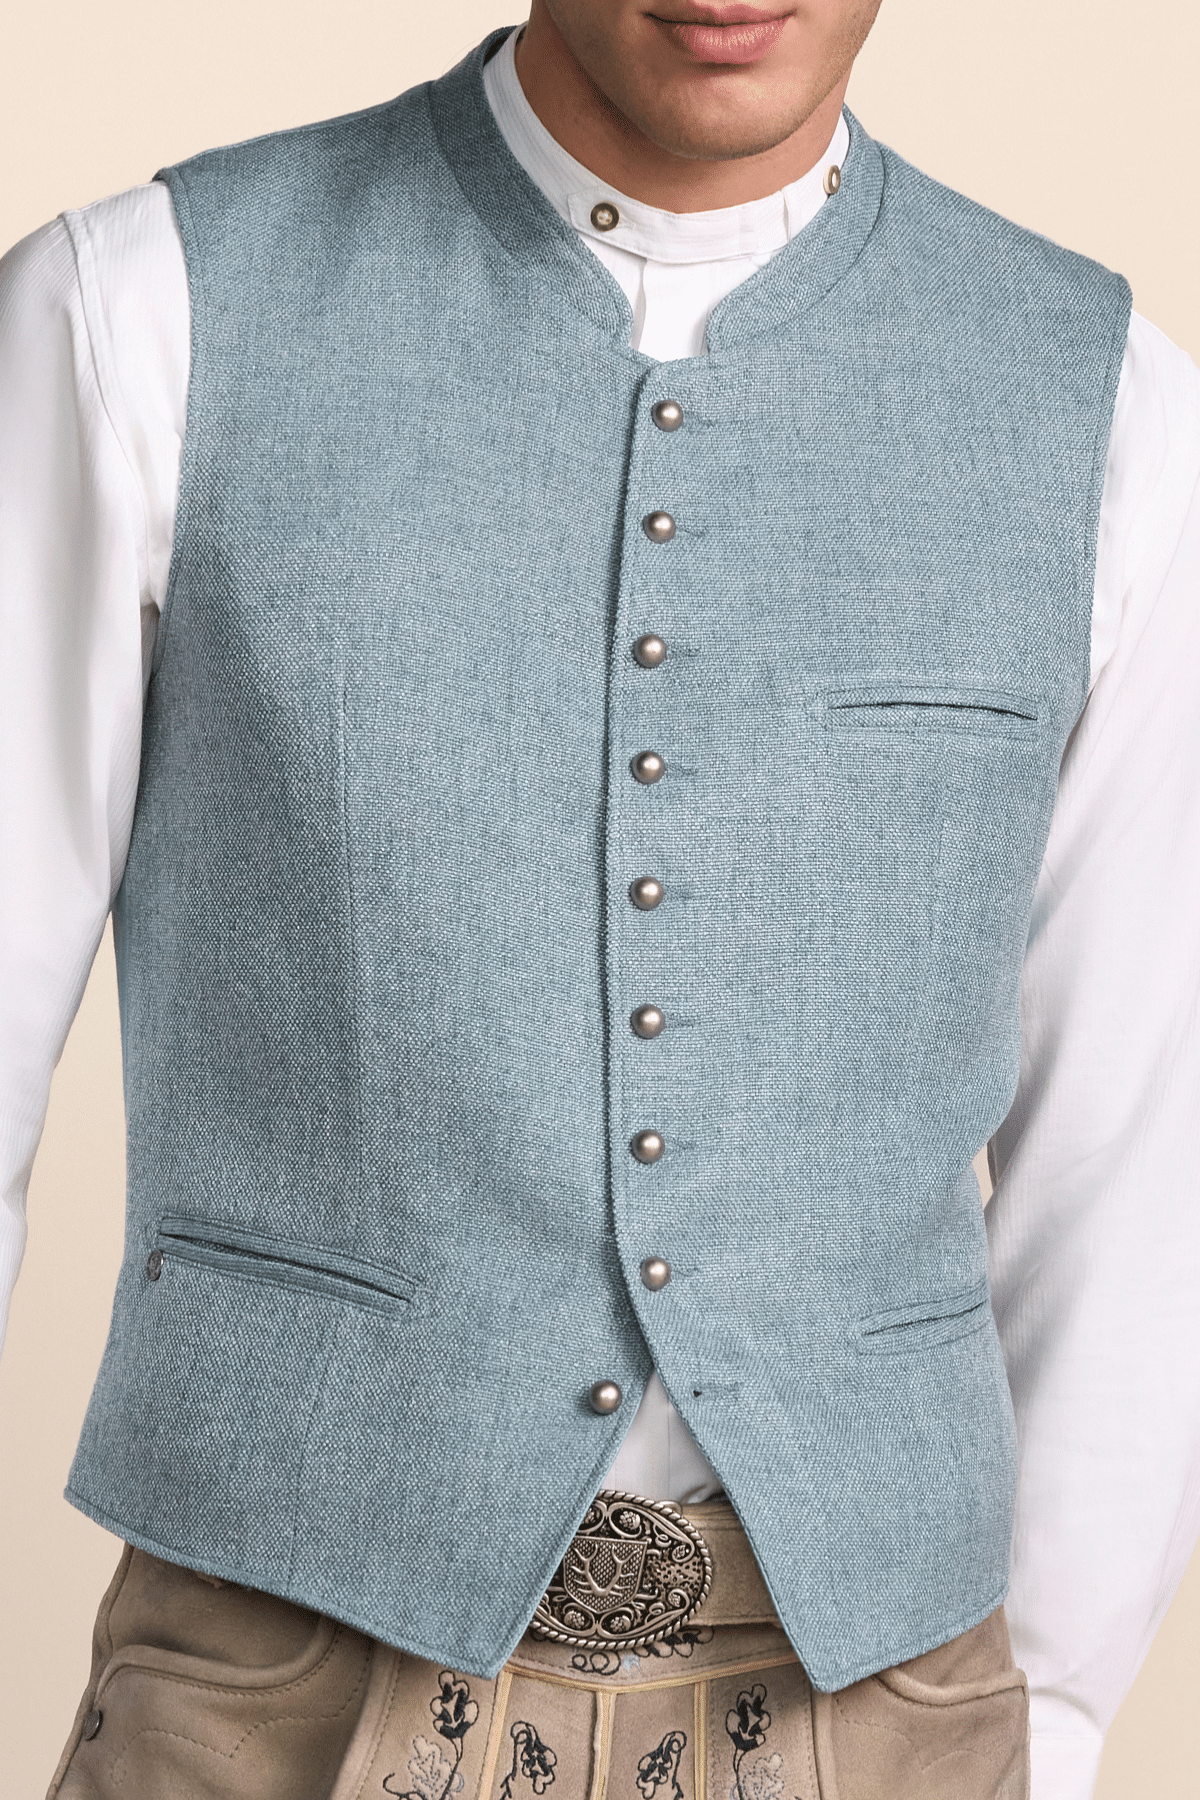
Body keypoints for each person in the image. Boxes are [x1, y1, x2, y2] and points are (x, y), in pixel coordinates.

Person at [1, 2, 1198, 1796]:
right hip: (273, 1697)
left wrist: (1050, 1725)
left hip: (892, 1714)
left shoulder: (1104, 408)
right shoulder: (139, 309)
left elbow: (1138, 1156)